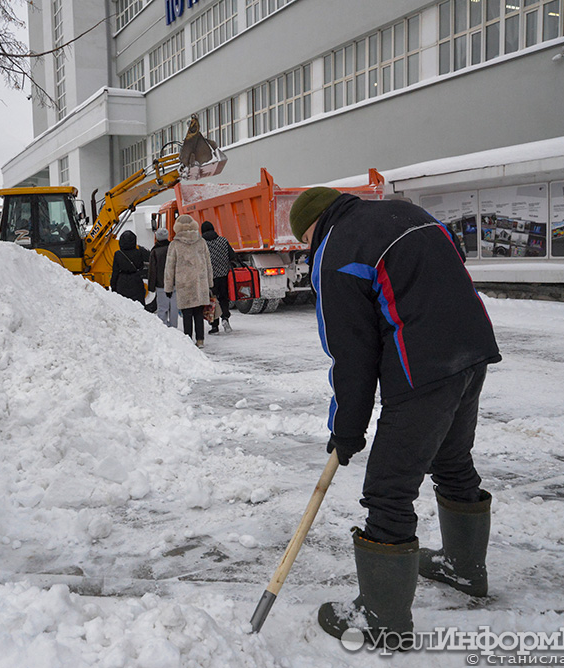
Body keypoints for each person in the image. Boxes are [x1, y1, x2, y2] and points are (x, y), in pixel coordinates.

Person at [288, 187, 501, 650]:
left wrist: (346, 430)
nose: (309, 248)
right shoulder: (407, 211)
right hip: (474, 348)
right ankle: (465, 569)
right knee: (451, 460)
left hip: (422, 367)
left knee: (388, 488)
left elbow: (352, 355)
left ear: (311, 228)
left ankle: (382, 619)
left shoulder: (335, 251)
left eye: (305, 240)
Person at [164, 214, 213, 348]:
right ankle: (200, 340)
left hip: (184, 284)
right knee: (198, 313)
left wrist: (168, 287)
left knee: (187, 314)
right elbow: (208, 263)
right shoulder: (201, 241)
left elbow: (170, 267)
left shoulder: (175, 244)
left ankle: (188, 341)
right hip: (200, 284)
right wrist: (210, 283)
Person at [200, 221, 238, 334]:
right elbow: (232, 256)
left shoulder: (202, 244)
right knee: (223, 298)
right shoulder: (223, 240)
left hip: (209, 277)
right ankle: (225, 319)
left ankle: (214, 326)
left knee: (212, 301)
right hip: (223, 275)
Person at [148, 227, 177, 328]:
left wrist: (151, 286)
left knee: (162, 308)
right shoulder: (173, 249)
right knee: (174, 308)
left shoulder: (155, 252)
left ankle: (163, 328)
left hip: (161, 285)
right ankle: (174, 328)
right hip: (174, 283)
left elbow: (152, 270)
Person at [110, 230, 149, 305]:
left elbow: (115, 271)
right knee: (138, 307)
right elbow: (141, 266)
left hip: (122, 283)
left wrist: (113, 286)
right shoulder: (138, 252)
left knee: (124, 307)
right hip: (136, 281)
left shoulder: (118, 254)